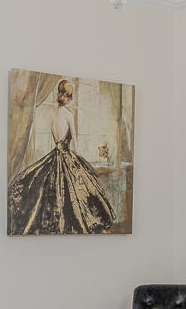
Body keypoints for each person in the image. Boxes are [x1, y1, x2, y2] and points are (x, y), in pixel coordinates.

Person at [7, 77, 117, 234]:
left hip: (54, 156)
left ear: (59, 95)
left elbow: (57, 139)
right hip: (67, 156)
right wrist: (80, 159)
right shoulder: (69, 115)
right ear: (69, 97)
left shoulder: (54, 116)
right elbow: (75, 146)